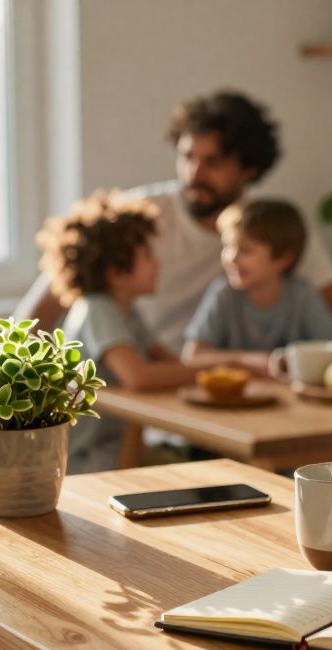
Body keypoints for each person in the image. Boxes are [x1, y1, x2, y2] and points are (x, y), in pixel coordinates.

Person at [16, 91, 332, 352]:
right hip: (142, 381)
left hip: (217, 385)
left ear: (249, 168)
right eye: (187, 157)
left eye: (213, 163)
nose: (194, 174)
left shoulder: (268, 227)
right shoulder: (140, 215)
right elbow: (43, 304)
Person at [36, 192, 229, 474]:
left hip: (121, 447)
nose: (157, 263)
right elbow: (138, 377)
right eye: (147, 255)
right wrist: (214, 368)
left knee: (205, 473)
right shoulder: (97, 309)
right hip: (89, 459)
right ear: (116, 271)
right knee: (199, 480)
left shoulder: (127, 311)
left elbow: (171, 364)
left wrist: (215, 371)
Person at [182, 199, 332, 374]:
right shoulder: (223, 293)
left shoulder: (301, 295)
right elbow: (192, 356)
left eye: (245, 250)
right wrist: (246, 361)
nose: (231, 258)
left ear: (283, 259)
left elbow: (331, 349)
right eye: (227, 246)